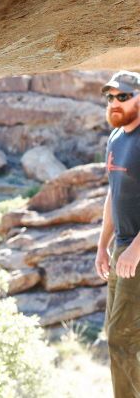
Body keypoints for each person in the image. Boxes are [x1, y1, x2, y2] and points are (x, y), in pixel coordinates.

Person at [95, 70, 140, 397]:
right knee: (119, 336)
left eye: (123, 96)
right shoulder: (115, 138)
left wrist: (135, 250)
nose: (115, 103)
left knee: (121, 338)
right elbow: (113, 193)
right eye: (110, 97)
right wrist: (102, 247)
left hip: (136, 252)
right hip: (121, 249)